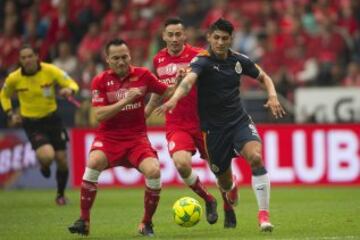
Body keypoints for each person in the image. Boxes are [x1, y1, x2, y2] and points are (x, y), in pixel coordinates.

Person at [159, 18, 286, 232]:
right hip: (213, 131)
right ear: (209, 37)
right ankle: (231, 187)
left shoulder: (239, 60)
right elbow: (189, 81)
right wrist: (174, 98)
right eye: (216, 38)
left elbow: (264, 77)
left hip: (239, 121)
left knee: (255, 157)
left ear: (231, 40)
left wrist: (272, 96)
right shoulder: (202, 61)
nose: (219, 42)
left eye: (224, 39)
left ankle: (263, 214)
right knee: (225, 182)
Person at [68, 38, 174, 237]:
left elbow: (166, 90)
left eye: (124, 57)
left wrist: (180, 82)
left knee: (153, 171)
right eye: (115, 58)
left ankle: (147, 223)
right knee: (93, 161)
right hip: (109, 137)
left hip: (137, 139)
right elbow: (99, 115)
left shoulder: (143, 75)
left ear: (130, 56)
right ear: (108, 60)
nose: (121, 61)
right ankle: (84, 220)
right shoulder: (100, 81)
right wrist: (126, 99)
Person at [146, 17, 237, 228]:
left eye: (179, 34)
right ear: (164, 36)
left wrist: (192, 77)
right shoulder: (158, 60)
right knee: (181, 163)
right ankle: (209, 199)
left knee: (219, 170)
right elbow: (159, 92)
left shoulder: (200, 55)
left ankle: (228, 207)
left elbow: (216, 82)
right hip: (177, 123)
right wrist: (147, 112)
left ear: (185, 35)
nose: (175, 39)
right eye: (170, 35)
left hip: (205, 121)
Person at [0, 45, 79, 205]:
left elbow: (72, 84)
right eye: (23, 57)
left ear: (37, 56)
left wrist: (69, 91)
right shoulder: (14, 78)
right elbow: (4, 95)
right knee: (48, 155)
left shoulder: (50, 70)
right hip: (32, 123)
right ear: (20, 60)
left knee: (62, 160)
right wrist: (10, 113)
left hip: (53, 120)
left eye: (30, 56)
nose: (27, 60)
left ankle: (60, 195)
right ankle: (44, 164)